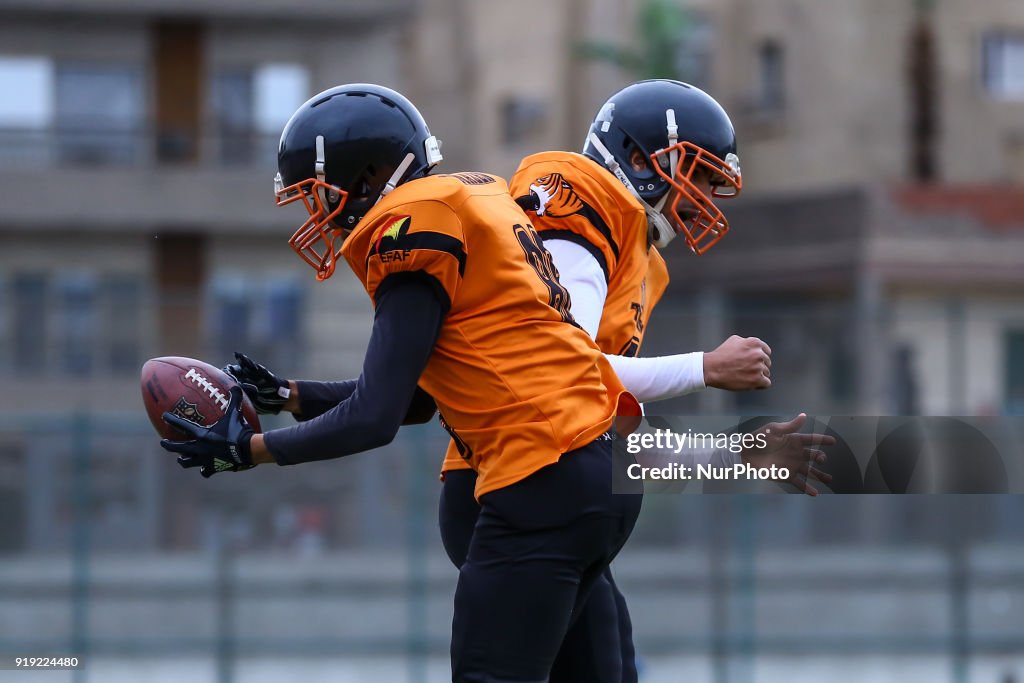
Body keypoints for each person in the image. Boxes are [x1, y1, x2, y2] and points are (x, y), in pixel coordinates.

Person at [158, 83, 645, 682]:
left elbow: (375, 416)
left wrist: (248, 452)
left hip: (540, 479)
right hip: (595, 476)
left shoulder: (412, 229)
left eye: (320, 196)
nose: (320, 217)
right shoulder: (475, 199)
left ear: (366, 179)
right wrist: (291, 394)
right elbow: (420, 397)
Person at [437, 79, 833, 682]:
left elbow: (611, 435)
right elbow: (563, 374)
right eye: (698, 177)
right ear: (646, 161)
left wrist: (740, 456)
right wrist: (706, 367)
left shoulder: (638, 257)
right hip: (516, 496)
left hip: (557, 501)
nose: (705, 198)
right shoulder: (584, 206)